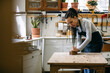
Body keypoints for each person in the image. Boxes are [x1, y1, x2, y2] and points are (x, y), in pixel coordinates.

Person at [65, 8, 103, 73]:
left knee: (91, 63)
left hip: (97, 42)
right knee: (85, 62)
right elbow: (79, 40)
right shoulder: (76, 27)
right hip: (89, 43)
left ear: (75, 17)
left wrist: (78, 49)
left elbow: (88, 38)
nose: (71, 25)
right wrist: (76, 49)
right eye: (69, 23)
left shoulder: (86, 22)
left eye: (71, 22)